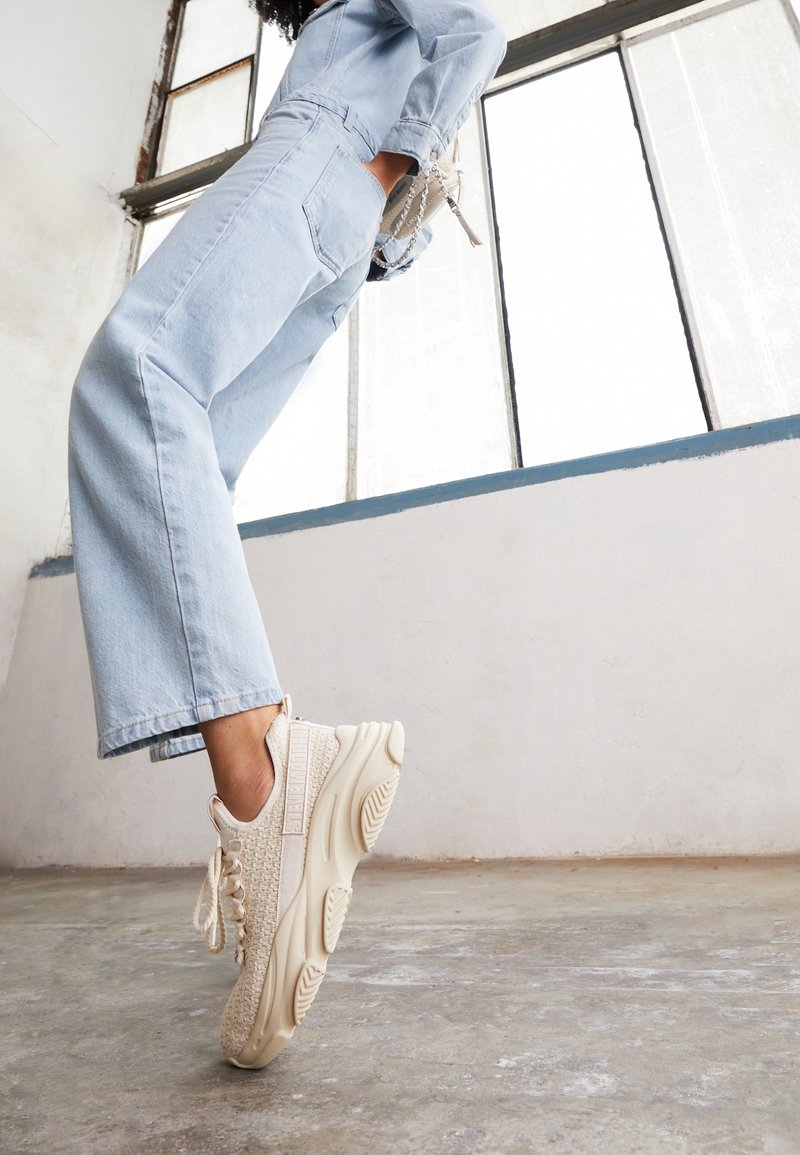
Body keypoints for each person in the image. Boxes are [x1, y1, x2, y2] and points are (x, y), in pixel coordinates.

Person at [67, 0, 506, 1068]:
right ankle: (266, 794)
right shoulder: (347, 32)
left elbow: (476, 30)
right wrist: (382, 216)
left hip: (317, 163)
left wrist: (386, 161)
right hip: (343, 223)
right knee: (186, 467)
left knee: (134, 378)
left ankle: (265, 781)